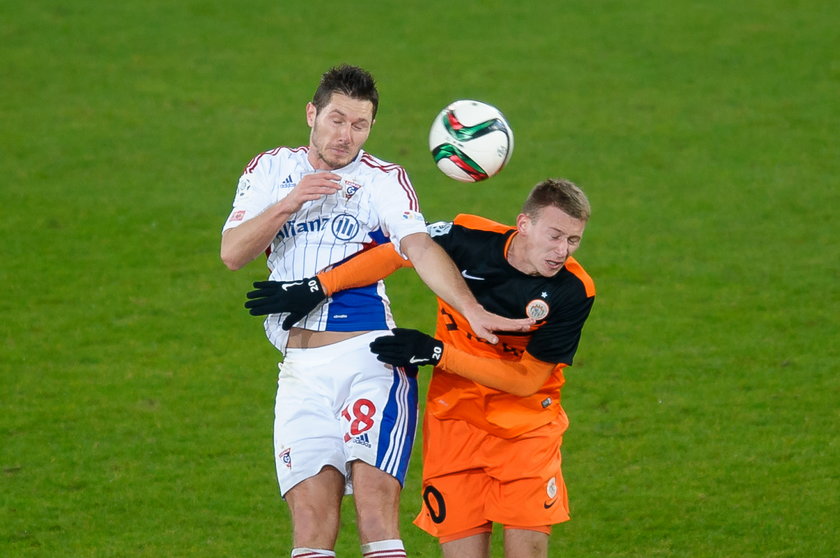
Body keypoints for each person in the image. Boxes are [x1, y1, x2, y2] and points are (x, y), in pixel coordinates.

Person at [220, 64, 531, 558]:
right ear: (311, 113)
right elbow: (233, 253)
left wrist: (469, 309)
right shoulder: (270, 169)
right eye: (337, 120)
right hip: (299, 370)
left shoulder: (383, 180)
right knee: (310, 524)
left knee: (375, 511)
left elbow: (419, 246)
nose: (346, 136)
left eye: (359, 125)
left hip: (369, 360)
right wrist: (290, 202)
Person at [245, 178, 596, 558]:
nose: (562, 251)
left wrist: (437, 353)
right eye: (555, 236)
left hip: (526, 433)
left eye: (572, 241)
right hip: (454, 427)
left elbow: (526, 380)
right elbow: (397, 251)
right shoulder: (467, 237)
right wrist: (318, 286)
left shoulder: (573, 289)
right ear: (524, 224)